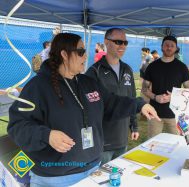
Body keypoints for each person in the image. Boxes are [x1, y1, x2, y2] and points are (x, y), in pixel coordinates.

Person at [7, 33, 159, 187]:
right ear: (64, 54)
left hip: (93, 170)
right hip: (56, 178)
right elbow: (17, 126)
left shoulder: (88, 82)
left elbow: (111, 102)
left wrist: (139, 105)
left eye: (85, 51)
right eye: (80, 52)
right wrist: (47, 135)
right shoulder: (37, 87)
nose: (85, 57)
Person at [86, 28, 138, 165]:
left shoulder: (127, 69)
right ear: (106, 42)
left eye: (125, 42)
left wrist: (134, 126)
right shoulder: (94, 72)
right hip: (103, 143)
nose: (122, 46)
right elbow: (89, 109)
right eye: (118, 42)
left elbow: (131, 98)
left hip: (122, 140)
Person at [142, 35, 189, 138]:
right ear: (161, 47)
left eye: (172, 46)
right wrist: (156, 97)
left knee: (177, 144)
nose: (169, 48)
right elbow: (144, 89)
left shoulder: (182, 67)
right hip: (154, 113)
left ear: (176, 48)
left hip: (175, 115)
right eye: (166, 45)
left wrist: (174, 96)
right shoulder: (152, 66)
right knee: (152, 145)